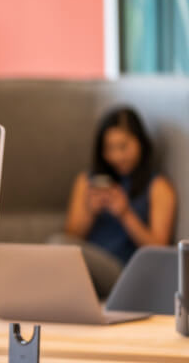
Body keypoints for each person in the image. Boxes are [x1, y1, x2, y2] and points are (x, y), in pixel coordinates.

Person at [61, 106, 176, 297]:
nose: (116, 156)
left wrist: (125, 214)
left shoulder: (158, 187)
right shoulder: (87, 181)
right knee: (58, 248)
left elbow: (160, 252)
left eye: (123, 147)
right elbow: (72, 237)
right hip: (89, 267)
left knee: (58, 246)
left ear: (141, 143)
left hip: (126, 273)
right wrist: (90, 211)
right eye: (109, 148)